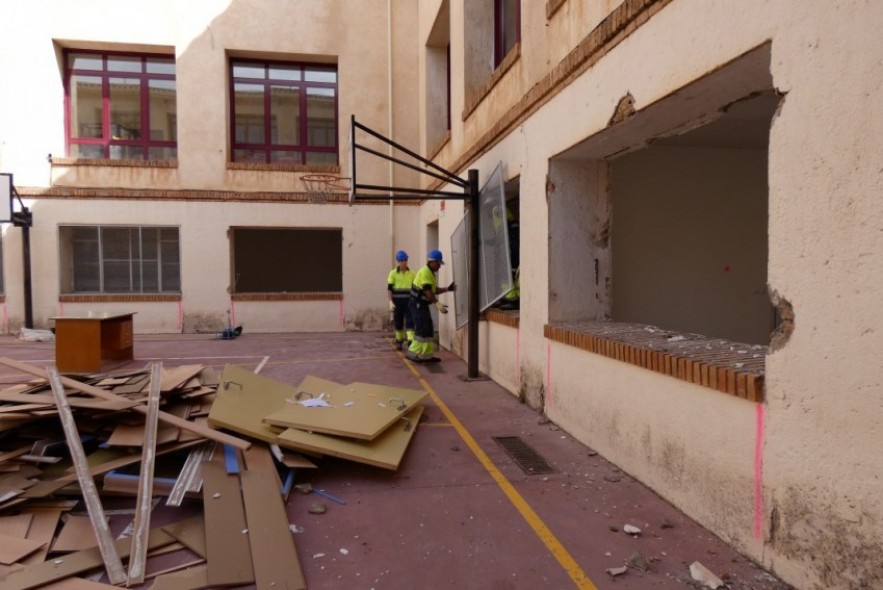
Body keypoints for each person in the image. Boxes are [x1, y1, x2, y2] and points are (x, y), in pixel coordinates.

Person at [407, 249, 455, 363]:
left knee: (428, 328)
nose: (439, 266)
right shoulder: (425, 272)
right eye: (438, 263)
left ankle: (427, 355)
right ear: (432, 262)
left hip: (422, 305)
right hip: (417, 304)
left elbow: (434, 290)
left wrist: (447, 289)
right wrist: (437, 303)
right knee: (421, 328)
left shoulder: (430, 274)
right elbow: (428, 292)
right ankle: (412, 353)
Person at [387, 250, 415, 350]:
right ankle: (399, 341)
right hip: (397, 302)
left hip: (409, 301)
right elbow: (390, 288)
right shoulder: (393, 273)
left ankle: (411, 341)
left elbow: (414, 288)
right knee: (398, 321)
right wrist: (390, 301)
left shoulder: (412, 274)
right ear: (398, 261)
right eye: (402, 260)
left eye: (405, 260)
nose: (404, 262)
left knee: (410, 321)